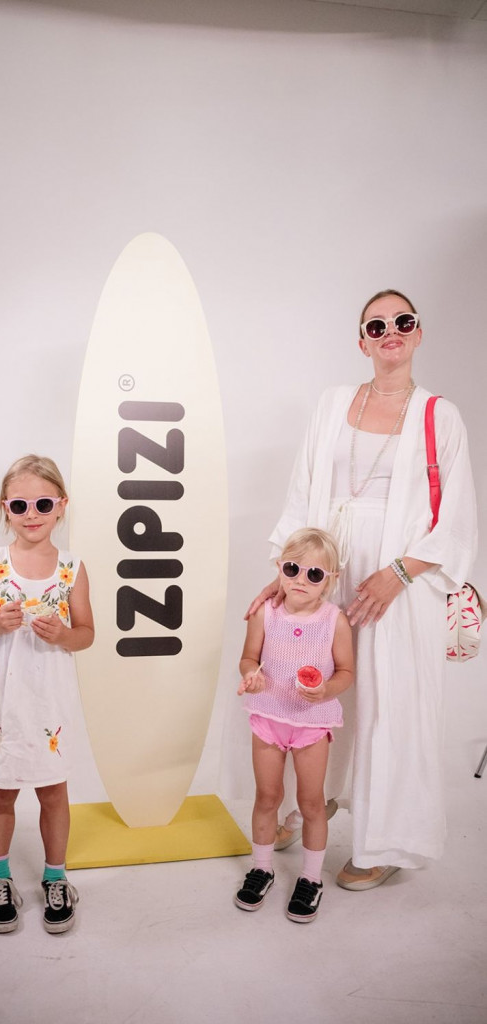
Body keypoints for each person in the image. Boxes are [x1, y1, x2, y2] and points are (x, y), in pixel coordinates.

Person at [248, 289, 478, 891]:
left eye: (402, 321)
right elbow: (302, 491)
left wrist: (397, 573)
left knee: (390, 699)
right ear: (362, 341)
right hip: (329, 567)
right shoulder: (332, 404)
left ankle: (386, 838)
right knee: (315, 680)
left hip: (402, 578)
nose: (390, 331)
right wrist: (286, 573)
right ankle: (312, 801)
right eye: (376, 325)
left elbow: (456, 517)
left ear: (418, 333)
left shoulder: (440, 415)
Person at [0, 455, 94, 933]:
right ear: (5, 508)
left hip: (49, 699)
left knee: (54, 790)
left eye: (43, 504)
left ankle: (56, 877)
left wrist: (63, 634)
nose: (31, 514)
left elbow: (87, 634)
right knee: (1, 790)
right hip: (3, 698)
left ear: (61, 505)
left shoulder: (72, 568)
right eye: (20, 505)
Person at [235, 528, 354, 922]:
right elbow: (248, 658)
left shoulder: (334, 620)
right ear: (279, 568)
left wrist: (326, 690)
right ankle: (261, 868)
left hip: (312, 724)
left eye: (314, 574)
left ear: (331, 579)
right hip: (268, 718)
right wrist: (251, 675)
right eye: (292, 569)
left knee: (311, 803)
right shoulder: (265, 612)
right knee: (267, 797)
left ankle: (311, 878)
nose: (301, 580)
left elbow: (346, 671)